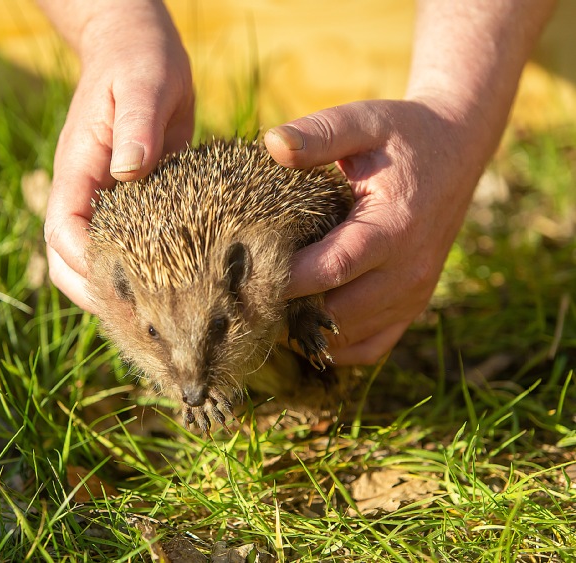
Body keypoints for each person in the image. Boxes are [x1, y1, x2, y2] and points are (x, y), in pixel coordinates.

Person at [37, 0, 555, 365]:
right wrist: (114, 23)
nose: (190, 380)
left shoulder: (259, 244)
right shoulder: (132, 283)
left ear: (240, 270)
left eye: (218, 326)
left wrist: (454, 113)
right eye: (152, 332)